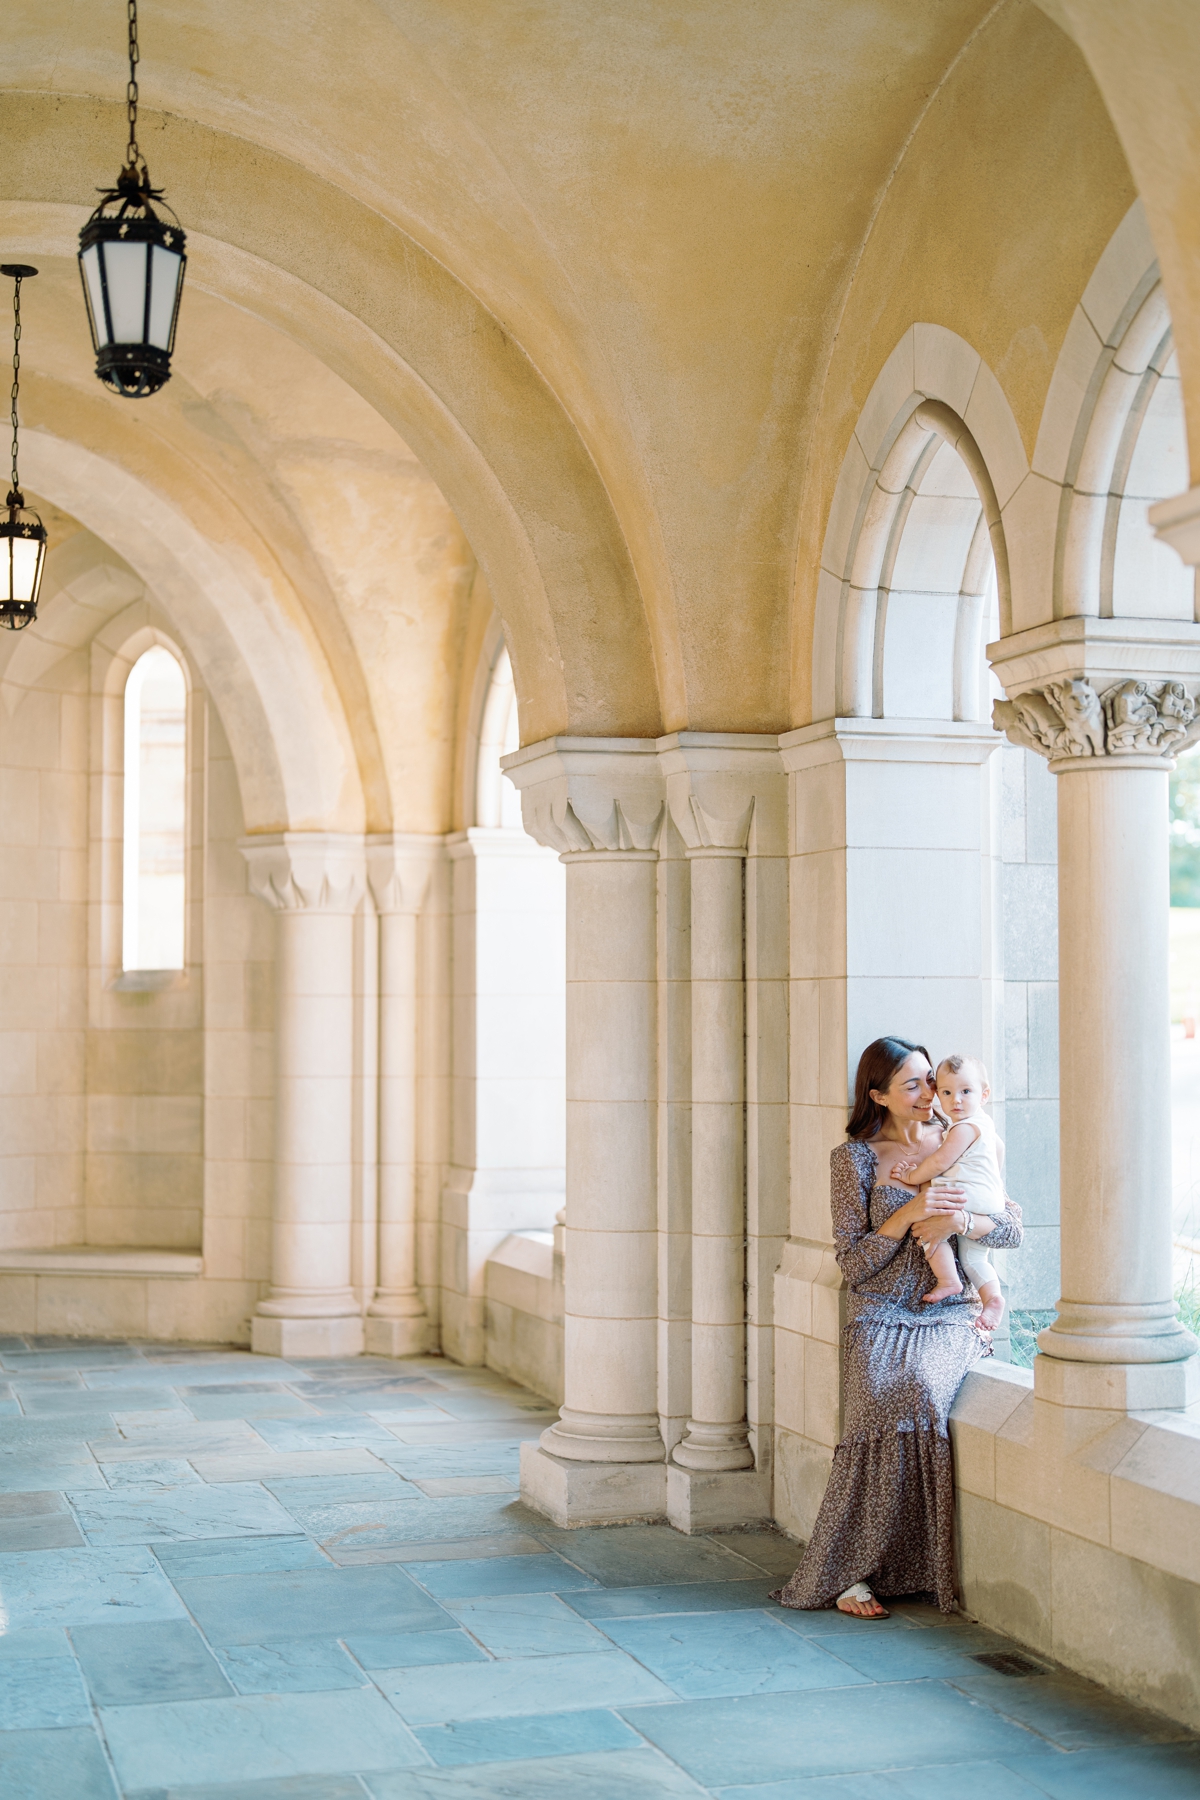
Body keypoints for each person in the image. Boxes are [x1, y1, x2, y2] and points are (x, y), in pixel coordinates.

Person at [771, 1035, 1023, 1621]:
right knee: (879, 1402)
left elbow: (1011, 1230)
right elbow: (852, 1263)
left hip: (947, 1312)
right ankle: (850, 1570)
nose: (928, 1092)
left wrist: (962, 1219)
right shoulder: (854, 1158)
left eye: (929, 1079)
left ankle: (911, 1565)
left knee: (921, 1392)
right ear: (878, 1095)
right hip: (880, 1312)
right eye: (911, 1083)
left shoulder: (966, 1137)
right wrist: (909, 1212)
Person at [892, 1054, 1006, 1333]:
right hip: (988, 1198)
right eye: (946, 1092)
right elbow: (998, 1155)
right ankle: (992, 1298)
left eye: (966, 1091)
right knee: (976, 1259)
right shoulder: (985, 1125)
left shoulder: (964, 1128)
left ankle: (948, 1280)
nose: (956, 1100)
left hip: (967, 1197)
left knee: (924, 1224)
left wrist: (911, 1175)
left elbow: (940, 1162)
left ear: (985, 1094)